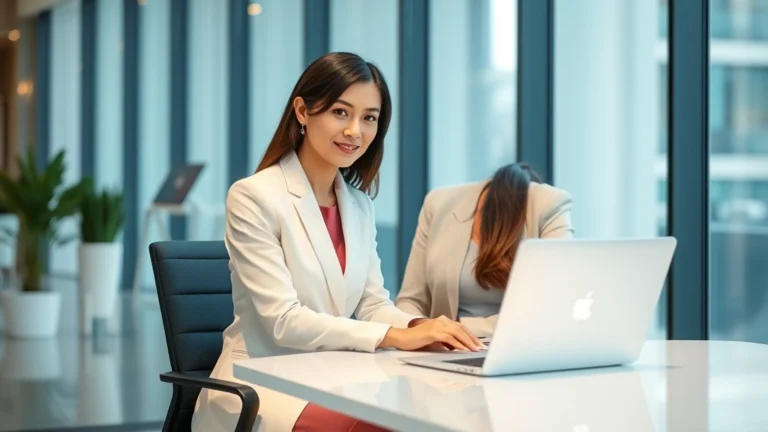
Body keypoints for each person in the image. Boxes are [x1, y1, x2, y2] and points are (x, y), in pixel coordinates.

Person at [191, 52, 483, 432]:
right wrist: (398, 337)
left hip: (334, 373)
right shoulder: (254, 196)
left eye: (369, 118)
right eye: (341, 112)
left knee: (432, 413)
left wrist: (423, 327)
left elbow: (372, 303)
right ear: (302, 111)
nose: (354, 131)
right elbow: (283, 321)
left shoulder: (358, 205)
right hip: (263, 381)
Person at [395, 163, 574, 338]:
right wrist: (422, 328)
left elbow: (554, 305)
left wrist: (458, 328)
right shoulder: (438, 204)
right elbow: (409, 301)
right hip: (447, 349)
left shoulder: (551, 204)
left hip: (520, 346)